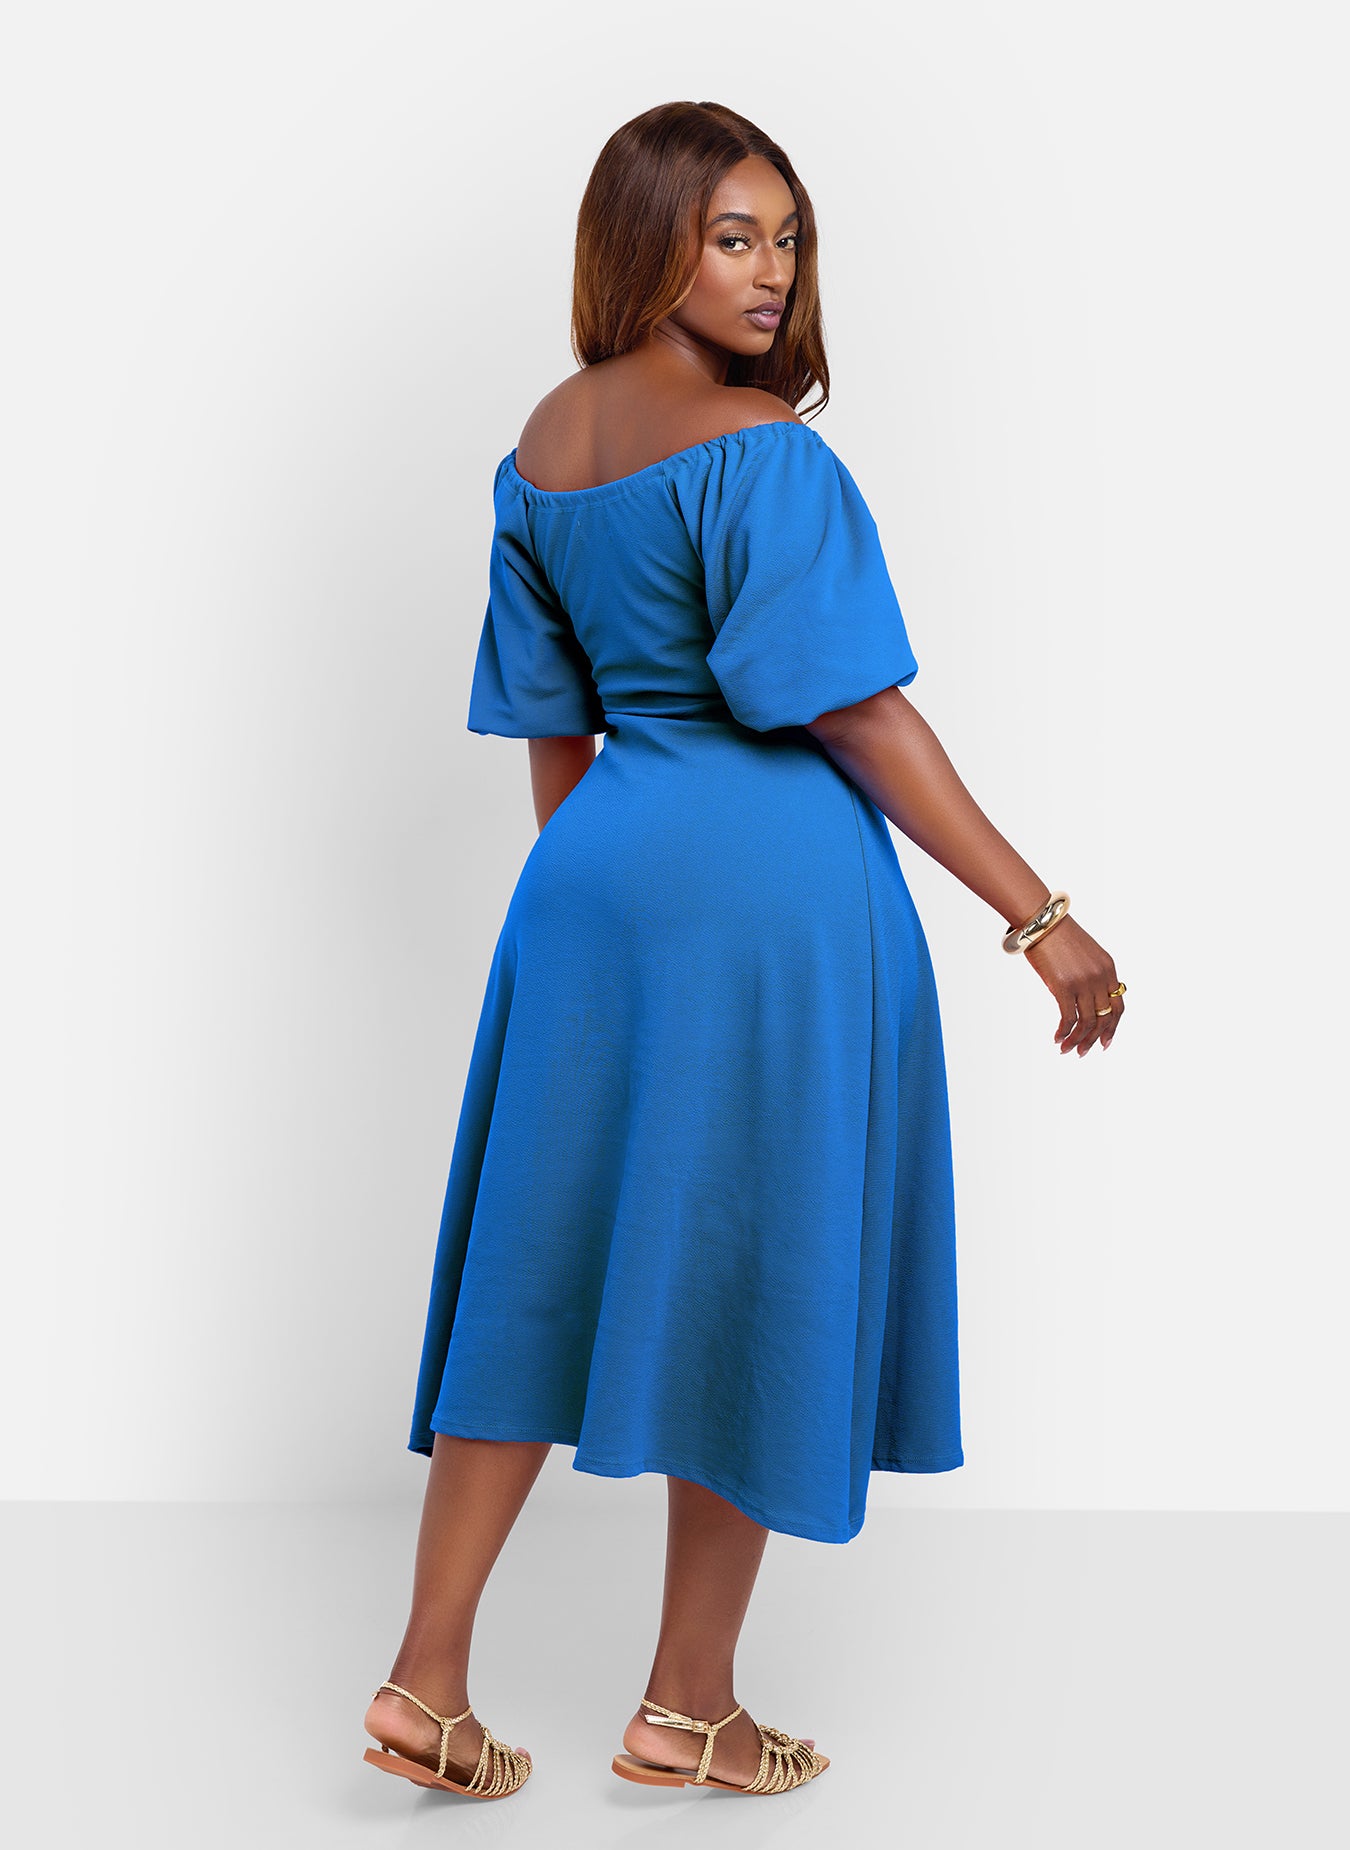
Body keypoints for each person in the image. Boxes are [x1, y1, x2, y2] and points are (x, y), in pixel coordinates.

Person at [361, 100, 1125, 1803]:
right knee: (748, 1266)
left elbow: (553, 733)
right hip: (771, 901)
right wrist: (1038, 914)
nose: (771, 272)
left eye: (786, 239)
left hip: (589, 885)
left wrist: (601, 915)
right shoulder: (762, 452)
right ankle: (687, 1704)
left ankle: (428, 1676)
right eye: (732, 237)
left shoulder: (539, 451)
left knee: (536, 1262)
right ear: (647, 243)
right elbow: (854, 709)